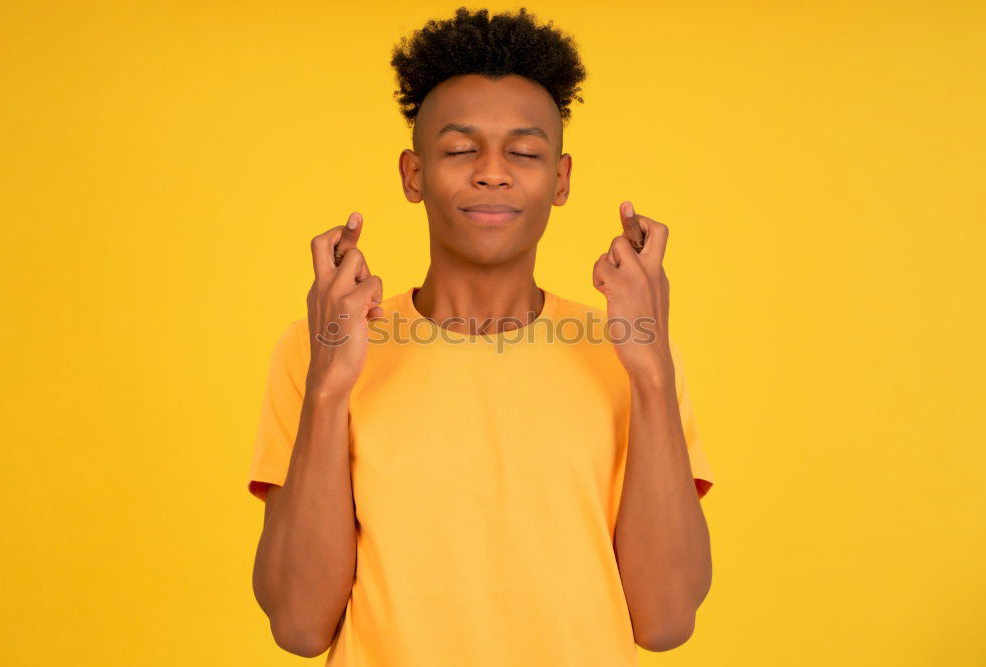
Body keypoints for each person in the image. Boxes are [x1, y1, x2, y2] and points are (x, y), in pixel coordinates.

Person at [247, 7, 715, 666]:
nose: (492, 172)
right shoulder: (319, 345)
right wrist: (328, 386)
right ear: (413, 174)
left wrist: (652, 371)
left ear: (560, 180)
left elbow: (666, 619)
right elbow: (298, 624)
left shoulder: (630, 349)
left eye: (524, 152)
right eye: (461, 149)